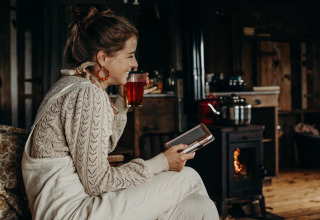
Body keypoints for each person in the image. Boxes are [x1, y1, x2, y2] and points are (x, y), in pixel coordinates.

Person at [21, 6, 219, 220]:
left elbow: (99, 147)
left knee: (200, 207)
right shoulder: (87, 95)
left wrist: (122, 101)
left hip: (74, 207)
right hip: (72, 212)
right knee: (187, 177)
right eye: (130, 56)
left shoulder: (71, 84)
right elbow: (98, 182)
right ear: (103, 58)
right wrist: (162, 162)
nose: (135, 64)